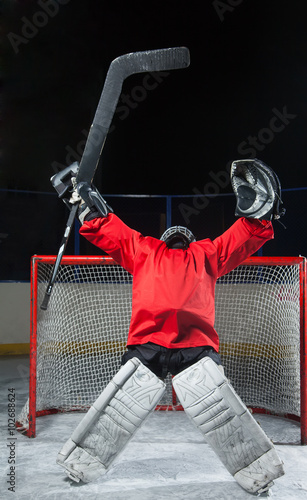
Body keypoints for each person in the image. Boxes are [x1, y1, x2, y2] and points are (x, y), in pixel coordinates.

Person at [53, 158, 286, 494]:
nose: (178, 235)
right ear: (167, 239)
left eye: (181, 234)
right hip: (165, 346)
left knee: (220, 414)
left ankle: (256, 469)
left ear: (184, 239)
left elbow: (244, 236)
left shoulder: (200, 252)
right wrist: (86, 204)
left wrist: (259, 214)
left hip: (183, 348)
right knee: (121, 410)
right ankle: (83, 461)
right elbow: (109, 230)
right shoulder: (152, 249)